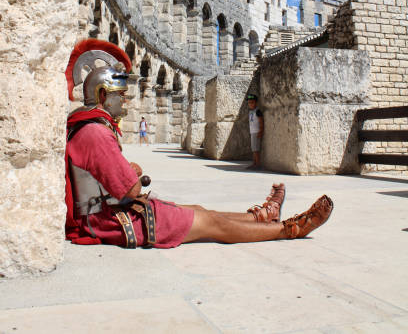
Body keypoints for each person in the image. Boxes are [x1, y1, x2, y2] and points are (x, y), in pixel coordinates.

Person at [64, 39, 334, 249]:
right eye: (120, 95)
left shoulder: (89, 127)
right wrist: (132, 172)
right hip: (109, 221)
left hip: (112, 212)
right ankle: (289, 229)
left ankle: (261, 217)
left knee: (201, 211)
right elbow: (132, 189)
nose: (125, 101)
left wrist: (126, 171)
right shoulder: (95, 133)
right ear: (102, 94)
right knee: (210, 223)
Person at [247, 93, 263, 169]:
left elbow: (261, 121)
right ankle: (254, 163)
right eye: (249, 103)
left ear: (256, 103)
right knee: (253, 149)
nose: (250, 104)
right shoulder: (251, 112)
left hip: (256, 132)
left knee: (256, 149)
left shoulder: (258, 111)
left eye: (252, 102)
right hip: (252, 132)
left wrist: (260, 131)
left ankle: (258, 164)